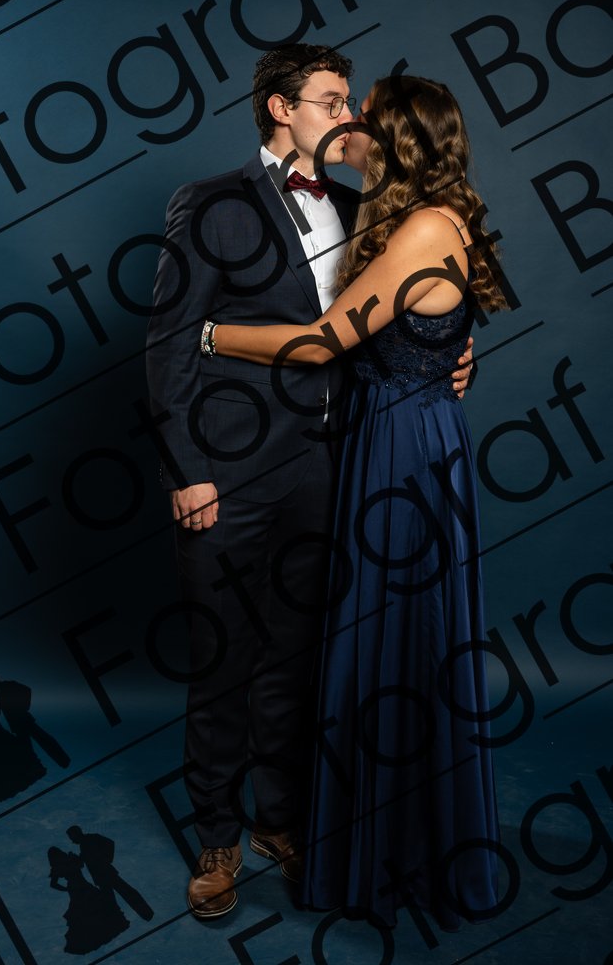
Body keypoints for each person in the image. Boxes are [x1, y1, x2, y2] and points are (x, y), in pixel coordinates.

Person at [146, 47, 472, 919]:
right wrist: (188, 472)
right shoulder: (208, 203)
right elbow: (169, 342)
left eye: (353, 102)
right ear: (281, 109)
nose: (351, 118)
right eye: (333, 102)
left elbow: (397, 317)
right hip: (228, 475)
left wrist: (454, 350)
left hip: (334, 466)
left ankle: (280, 820)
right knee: (223, 656)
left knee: (297, 657)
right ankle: (216, 838)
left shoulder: (371, 209)